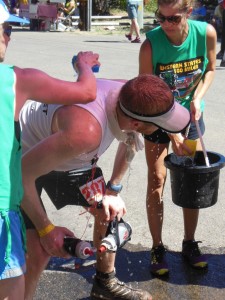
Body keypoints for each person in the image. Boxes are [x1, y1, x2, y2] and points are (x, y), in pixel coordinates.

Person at [19, 75, 190, 300]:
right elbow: (20, 177)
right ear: (136, 124)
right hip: (23, 157)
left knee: (107, 212)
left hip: (68, 155)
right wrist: (46, 230)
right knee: (39, 251)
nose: (164, 132)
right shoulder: (87, 132)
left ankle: (104, 283)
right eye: (161, 127)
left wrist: (112, 190)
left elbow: (130, 141)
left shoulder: (129, 93)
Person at [0, 0, 100, 298]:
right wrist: (84, 65)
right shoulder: (15, 80)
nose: (9, 35)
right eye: (4, 28)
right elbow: (87, 92)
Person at [139, 0, 216, 276]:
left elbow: (209, 69)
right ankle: (157, 246)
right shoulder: (150, 45)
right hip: (156, 118)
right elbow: (145, 95)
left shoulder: (205, 33)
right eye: (161, 17)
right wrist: (171, 132)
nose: (166, 24)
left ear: (189, 12)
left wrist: (197, 97)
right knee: (157, 179)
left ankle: (189, 242)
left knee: (189, 179)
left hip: (192, 119)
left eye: (174, 18)